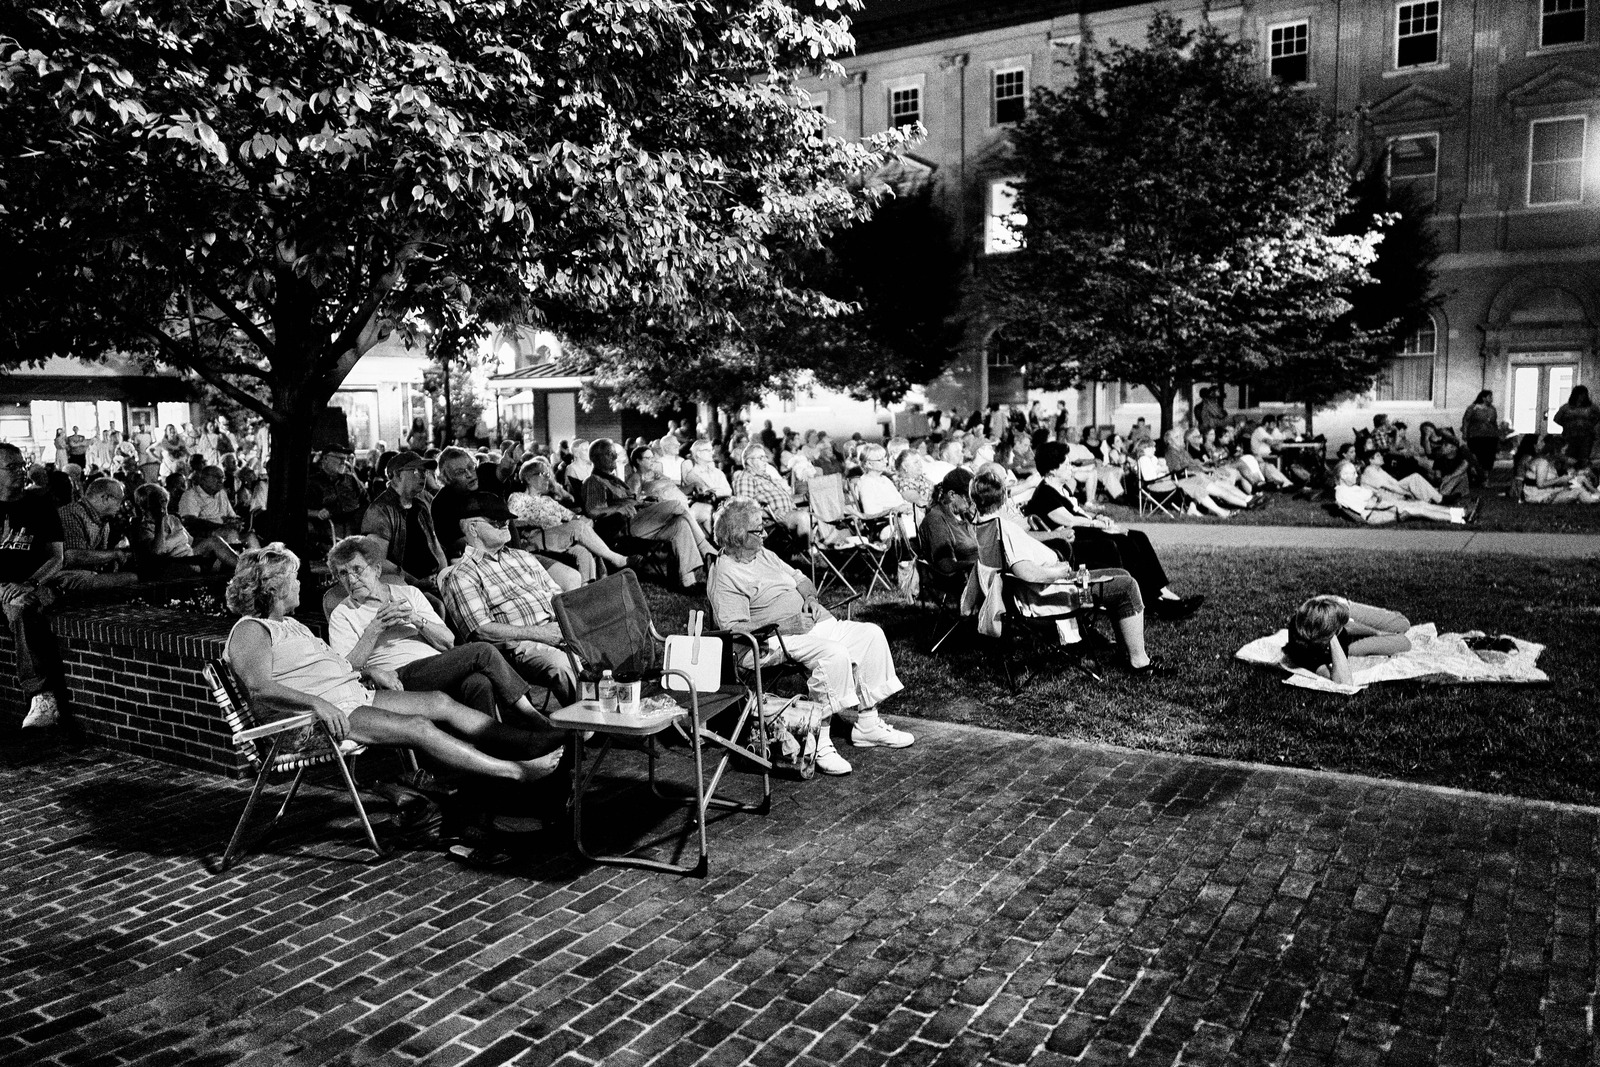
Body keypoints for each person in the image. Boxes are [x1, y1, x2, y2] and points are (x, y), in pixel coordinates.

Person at [224, 544, 563, 784]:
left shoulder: (290, 625)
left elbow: (335, 665)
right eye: (294, 579)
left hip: (349, 697)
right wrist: (318, 703)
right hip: (314, 721)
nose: (300, 584)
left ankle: (527, 741)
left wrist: (369, 670)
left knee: (439, 703)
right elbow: (259, 686)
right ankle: (515, 771)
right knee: (419, 726)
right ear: (276, 587)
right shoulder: (251, 630)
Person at [709, 498, 914, 778]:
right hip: (770, 641)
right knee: (833, 654)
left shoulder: (763, 555)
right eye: (759, 530)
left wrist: (810, 598)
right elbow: (733, 628)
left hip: (809, 625)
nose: (766, 534)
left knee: (871, 634)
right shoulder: (725, 574)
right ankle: (819, 742)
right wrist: (786, 624)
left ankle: (867, 724)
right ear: (738, 536)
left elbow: (802, 578)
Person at [325, 536, 567, 740]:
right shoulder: (343, 614)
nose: (351, 579)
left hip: (438, 666)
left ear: (376, 569)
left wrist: (416, 619)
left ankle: (488, 750)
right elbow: (347, 667)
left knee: (477, 683)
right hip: (398, 677)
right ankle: (529, 715)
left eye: (357, 570)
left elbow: (448, 642)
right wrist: (374, 629)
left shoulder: (409, 593)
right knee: (481, 650)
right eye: (343, 574)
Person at [967, 467, 1159, 676]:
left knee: (1121, 574)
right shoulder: (1005, 528)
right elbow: (1026, 572)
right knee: (1127, 586)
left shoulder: (983, 527)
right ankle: (1139, 662)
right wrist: (1061, 571)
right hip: (1047, 595)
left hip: (1032, 592)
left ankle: (1126, 653)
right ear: (1004, 498)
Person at [1024, 443, 1203, 619]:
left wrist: (1097, 518)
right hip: (1074, 542)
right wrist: (1098, 525)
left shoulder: (1059, 489)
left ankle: (1162, 591)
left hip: (1083, 532)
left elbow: (1078, 511)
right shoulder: (1045, 494)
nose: (1071, 468)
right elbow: (1068, 520)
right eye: (1067, 464)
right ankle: (1150, 600)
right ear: (1053, 470)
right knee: (1123, 542)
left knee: (1137, 536)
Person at [438, 492, 579, 705]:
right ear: (473, 528)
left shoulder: (523, 557)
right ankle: (593, 729)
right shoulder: (461, 575)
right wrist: (541, 634)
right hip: (519, 645)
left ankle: (622, 716)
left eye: (505, 519)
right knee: (562, 663)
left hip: (556, 630)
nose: (505, 524)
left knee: (612, 639)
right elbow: (481, 630)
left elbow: (557, 597)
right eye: (496, 521)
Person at [585, 439, 712, 590]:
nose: (614, 457)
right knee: (676, 505)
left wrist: (644, 502)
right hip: (627, 526)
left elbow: (632, 499)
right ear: (596, 458)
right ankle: (706, 550)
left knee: (680, 523)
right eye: (609, 454)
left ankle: (688, 582)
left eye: (614, 454)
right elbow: (592, 510)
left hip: (641, 519)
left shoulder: (614, 480)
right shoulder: (594, 481)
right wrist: (618, 509)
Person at [0, 442, 67, 728]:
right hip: (1, 588)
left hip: (35, 583)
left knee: (23, 610)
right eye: (11, 467)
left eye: (22, 465)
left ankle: (41, 696)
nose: (20, 472)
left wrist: (31, 583)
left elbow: (57, 557)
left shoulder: (40, 503)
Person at [506, 457, 636, 582]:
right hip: (535, 538)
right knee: (578, 527)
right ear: (528, 478)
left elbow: (573, 517)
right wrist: (531, 522)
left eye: (548, 474)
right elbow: (509, 522)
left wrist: (586, 520)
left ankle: (586, 590)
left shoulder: (548, 500)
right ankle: (616, 560)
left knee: (584, 551)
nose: (548, 477)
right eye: (543, 474)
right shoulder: (518, 497)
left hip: (558, 537)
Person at [361, 450, 448, 592]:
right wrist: (415, 582)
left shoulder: (421, 506)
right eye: (415, 471)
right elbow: (377, 560)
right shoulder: (380, 510)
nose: (422, 476)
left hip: (432, 581)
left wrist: (444, 577)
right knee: (438, 606)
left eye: (424, 472)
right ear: (396, 475)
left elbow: (436, 547)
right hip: (402, 586)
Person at [1284, 595, 1411, 685]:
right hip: (1325, 624)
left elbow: (1346, 625)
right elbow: (1344, 682)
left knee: (1403, 624)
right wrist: (1333, 639)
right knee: (1404, 643)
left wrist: (1376, 632)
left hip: (1330, 606)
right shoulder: (1303, 652)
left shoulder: (1328, 624)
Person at [129, 482, 239, 576]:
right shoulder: (142, 528)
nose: (164, 505)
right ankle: (246, 569)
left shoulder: (172, 519)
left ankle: (245, 567)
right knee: (223, 564)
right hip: (173, 565)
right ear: (146, 505)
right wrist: (159, 522)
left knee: (216, 542)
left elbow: (191, 541)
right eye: (160, 502)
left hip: (191, 557)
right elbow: (158, 551)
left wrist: (217, 546)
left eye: (165, 501)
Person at [54, 477, 140, 591]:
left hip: (85, 574)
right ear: (105, 498)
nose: (120, 506)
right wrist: (115, 554)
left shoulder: (103, 521)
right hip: (64, 576)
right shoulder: (71, 514)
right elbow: (72, 557)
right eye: (119, 501)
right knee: (131, 578)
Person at [1333, 461, 1474, 524]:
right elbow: (1368, 507)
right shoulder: (1342, 493)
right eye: (1353, 474)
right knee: (1418, 508)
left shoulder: (1351, 488)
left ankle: (1460, 513)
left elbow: (1371, 497)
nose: (1356, 476)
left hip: (1381, 507)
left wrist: (1380, 498)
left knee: (1419, 503)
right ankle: (1459, 519)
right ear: (1343, 476)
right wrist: (1388, 502)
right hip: (1376, 515)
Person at [731, 444, 810, 553]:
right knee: (803, 517)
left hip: (789, 512)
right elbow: (745, 508)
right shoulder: (745, 478)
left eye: (765, 457)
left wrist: (804, 497)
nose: (765, 461)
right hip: (771, 521)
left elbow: (786, 499)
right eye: (761, 458)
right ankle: (804, 553)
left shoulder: (767, 477)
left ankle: (826, 546)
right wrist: (770, 513)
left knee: (820, 512)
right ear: (749, 461)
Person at [919, 469, 979, 586]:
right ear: (952, 495)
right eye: (969, 498)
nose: (973, 503)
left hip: (979, 572)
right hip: (959, 578)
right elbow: (946, 565)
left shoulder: (964, 515)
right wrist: (978, 564)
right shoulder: (936, 520)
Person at [307, 444, 368, 544]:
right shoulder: (313, 483)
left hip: (355, 534)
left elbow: (365, 500)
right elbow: (298, 510)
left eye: (345, 458)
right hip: (327, 537)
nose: (343, 461)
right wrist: (317, 513)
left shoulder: (351, 480)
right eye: (339, 458)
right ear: (325, 459)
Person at [178, 465, 247, 546]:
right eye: (216, 477)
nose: (220, 481)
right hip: (206, 535)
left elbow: (231, 515)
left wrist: (236, 521)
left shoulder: (221, 493)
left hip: (226, 530)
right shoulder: (191, 495)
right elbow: (190, 521)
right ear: (203, 479)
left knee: (250, 536)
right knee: (230, 534)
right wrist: (220, 526)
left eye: (222, 478)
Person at [1521, 434, 1600, 504]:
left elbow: (1573, 462)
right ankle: (1593, 501)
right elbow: (1540, 484)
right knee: (1578, 491)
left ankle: (1592, 499)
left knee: (1576, 486)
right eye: (1563, 450)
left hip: (1545, 492)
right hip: (1538, 496)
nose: (1564, 453)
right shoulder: (1543, 462)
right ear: (1556, 451)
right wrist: (1560, 480)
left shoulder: (1550, 463)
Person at [680, 438, 733, 536]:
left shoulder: (718, 472)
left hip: (722, 503)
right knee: (711, 512)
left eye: (711, 450)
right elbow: (706, 493)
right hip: (705, 505)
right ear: (699, 454)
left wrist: (715, 491)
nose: (712, 452)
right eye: (708, 450)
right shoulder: (692, 474)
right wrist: (717, 490)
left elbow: (728, 491)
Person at [1358, 451, 1442, 504]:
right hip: (1383, 497)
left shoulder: (1379, 469)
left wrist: (1408, 489)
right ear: (1371, 460)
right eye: (1378, 456)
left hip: (1390, 491)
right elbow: (1389, 487)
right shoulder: (1370, 471)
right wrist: (1407, 493)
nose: (1382, 457)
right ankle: (1436, 499)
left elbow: (1394, 482)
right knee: (1414, 480)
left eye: (1380, 455)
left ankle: (1435, 498)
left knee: (1415, 477)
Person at [1553, 385, 1598, 470]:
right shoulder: (1566, 407)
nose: (1581, 397)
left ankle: (1582, 476)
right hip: (1570, 437)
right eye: (1580, 394)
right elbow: (1556, 419)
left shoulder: (1592, 407)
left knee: (1583, 459)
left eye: (1584, 395)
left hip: (1586, 438)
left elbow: (1598, 417)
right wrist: (1567, 425)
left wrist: (1589, 425)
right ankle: (1568, 476)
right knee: (1570, 458)